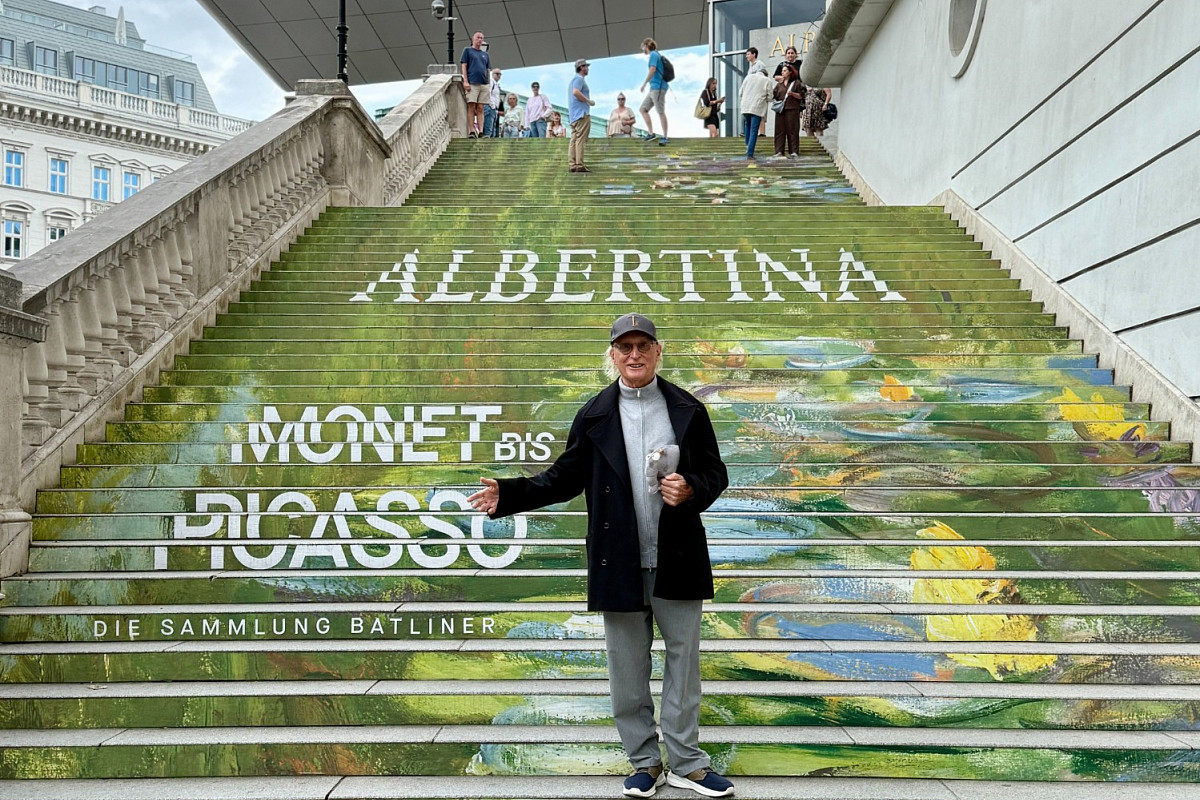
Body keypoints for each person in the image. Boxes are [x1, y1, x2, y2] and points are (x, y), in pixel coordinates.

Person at [467, 313, 734, 800]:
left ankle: (689, 764)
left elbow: (717, 473)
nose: (634, 354)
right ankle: (645, 763)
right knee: (627, 668)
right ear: (612, 354)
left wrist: (691, 487)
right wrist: (508, 494)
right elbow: (562, 479)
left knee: (684, 665)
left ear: (658, 351)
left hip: (677, 556)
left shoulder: (688, 409)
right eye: (625, 346)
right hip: (619, 559)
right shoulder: (594, 415)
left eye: (643, 345)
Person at [738, 56, 773, 160]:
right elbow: (770, 97)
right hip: (757, 108)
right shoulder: (767, 80)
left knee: (747, 126)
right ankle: (750, 153)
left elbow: (740, 93)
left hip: (745, 106)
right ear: (766, 74)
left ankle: (747, 146)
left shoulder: (748, 77)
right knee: (754, 130)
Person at [638, 38, 670, 146]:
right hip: (653, 88)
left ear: (646, 46)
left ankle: (665, 137)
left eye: (642, 47)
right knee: (643, 109)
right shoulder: (656, 55)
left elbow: (652, 69)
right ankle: (651, 133)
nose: (642, 49)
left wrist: (644, 83)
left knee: (660, 112)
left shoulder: (653, 55)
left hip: (658, 88)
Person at [460, 31, 491, 138]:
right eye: (478, 37)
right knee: (471, 106)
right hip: (472, 82)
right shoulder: (467, 50)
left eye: (482, 38)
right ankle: (472, 130)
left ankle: (481, 131)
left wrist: (488, 83)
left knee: (481, 108)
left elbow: (487, 69)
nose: (480, 39)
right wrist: (465, 81)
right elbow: (464, 65)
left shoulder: (485, 54)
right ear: (473, 38)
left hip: (483, 83)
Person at [568, 58, 596, 173]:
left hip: (574, 115)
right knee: (580, 139)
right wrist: (588, 101)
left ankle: (572, 164)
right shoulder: (579, 79)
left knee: (574, 139)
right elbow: (576, 92)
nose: (588, 68)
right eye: (586, 66)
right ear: (582, 67)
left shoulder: (573, 80)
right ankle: (579, 164)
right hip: (581, 113)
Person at [771, 63, 804, 159]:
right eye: (782, 71)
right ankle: (779, 151)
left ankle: (793, 151)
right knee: (779, 131)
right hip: (781, 110)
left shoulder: (796, 83)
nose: (782, 72)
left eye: (784, 71)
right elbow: (774, 96)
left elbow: (801, 96)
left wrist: (793, 94)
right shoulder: (779, 85)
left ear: (790, 72)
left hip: (792, 109)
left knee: (792, 130)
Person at [744, 47, 768, 140]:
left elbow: (763, 77)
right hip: (751, 93)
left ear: (754, 54)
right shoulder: (750, 67)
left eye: (748, 54)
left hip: (759, 92)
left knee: (760, 113)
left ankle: (762, 133)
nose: (747, 56)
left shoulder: (760, 64)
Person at [485, 68, 503, 138]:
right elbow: (488, 93)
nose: (499, 76)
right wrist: (492, 105)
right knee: (489, 128)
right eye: (497, 74)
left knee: (492, 129)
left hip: (494, 108)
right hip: (490, 107)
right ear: (492, 74)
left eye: (500, 74)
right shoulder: (491, 82)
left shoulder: (496, 85)